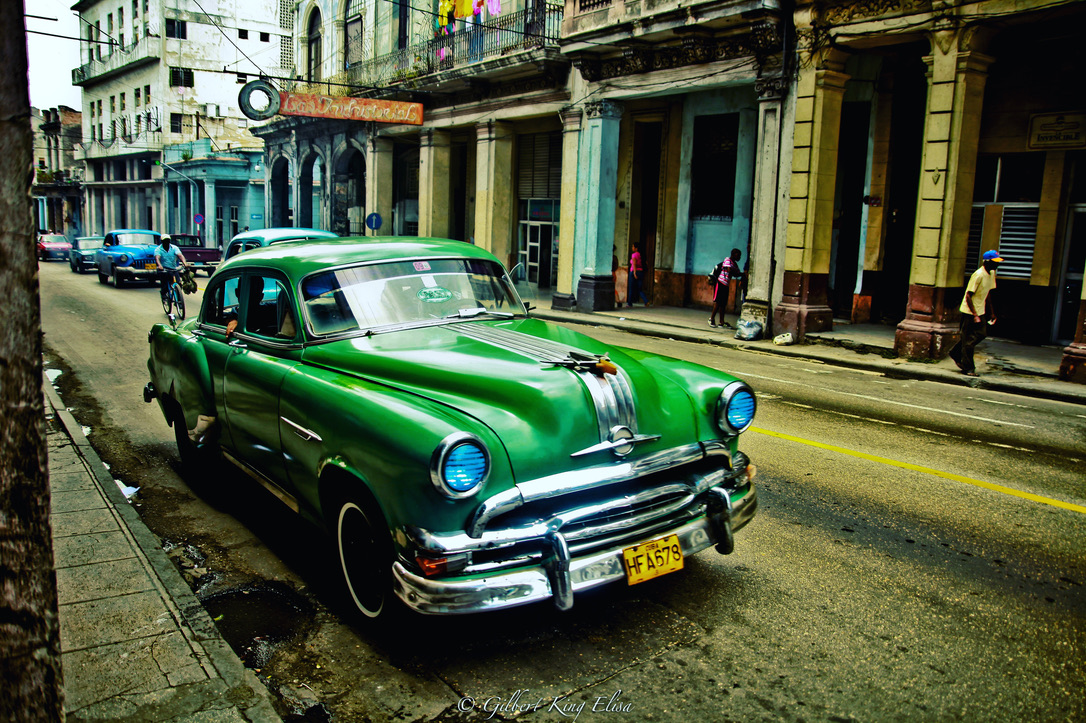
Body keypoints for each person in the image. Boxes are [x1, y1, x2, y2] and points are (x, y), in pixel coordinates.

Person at [948, 249, 1002, 377]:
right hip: (969, 311)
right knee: (968, 341)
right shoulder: (978, 275)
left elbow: (987, 294)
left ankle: (955, 352)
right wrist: (975, 315)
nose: (997, 265)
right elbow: (968, 295)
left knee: (981, 334)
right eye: (995, 262)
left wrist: (992, 312)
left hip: (980, 309)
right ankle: (968, 368)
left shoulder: (991, 273)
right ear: (987, 262)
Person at [709, 249, 743, 329]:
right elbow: (730, 270)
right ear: (734, 254)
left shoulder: (734, 264)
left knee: (723, 304)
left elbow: (737, 273)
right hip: (720, 283)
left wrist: (741, 274)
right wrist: (737, 273)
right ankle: (711, 319)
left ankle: (721, 322)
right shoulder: (727, 260)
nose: (739, 257)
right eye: (738, 255)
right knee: (717, 301)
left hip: (726, 285)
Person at [154, 235, 189, 304]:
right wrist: (160, 265)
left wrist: (185, 263)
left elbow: (180, 255)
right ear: (162, 242)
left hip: (173, 268)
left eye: (168, 240)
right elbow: (157, 258)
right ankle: (164, 295)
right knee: (164, 285)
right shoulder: (158, 249)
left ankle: (179, 301)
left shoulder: (174, 248)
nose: (167, 242)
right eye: (165, 241)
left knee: (178, 283)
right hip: (163, 269)